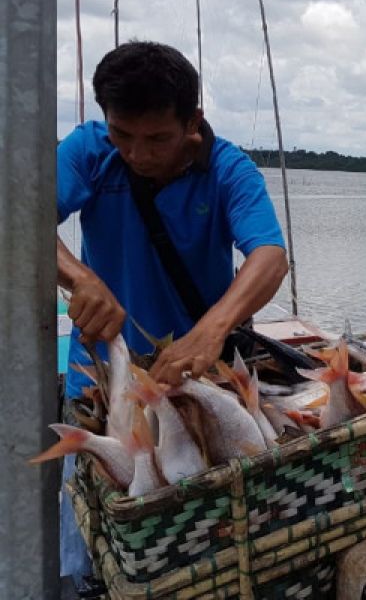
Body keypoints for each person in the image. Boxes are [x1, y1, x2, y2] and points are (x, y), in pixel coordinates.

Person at [55, 41, 288, 589]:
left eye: (157, 138)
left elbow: (270, 257)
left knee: (192, 519)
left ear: (193, 122)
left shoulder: (228, 169)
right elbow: (16, 213)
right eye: (123, 135)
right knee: (97, 518)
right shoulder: (90, 149)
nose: (137, 153)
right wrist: (80, 277)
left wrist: (210, 331)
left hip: (191, 376)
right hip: (102, 379)